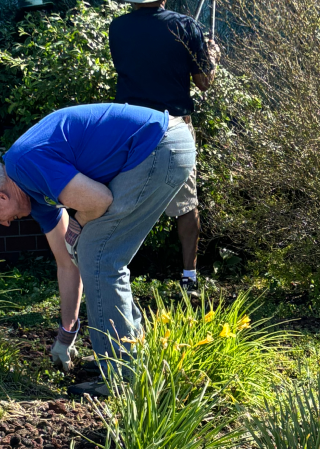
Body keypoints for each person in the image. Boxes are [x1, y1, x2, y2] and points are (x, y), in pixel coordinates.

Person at [0, 103, 195, 395]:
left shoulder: (26, 164)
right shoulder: (34, 195)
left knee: (100, 258)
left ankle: (122, 376)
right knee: (92, 254)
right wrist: (65, 335)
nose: (4, 225)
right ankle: (129, 358)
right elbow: (67, 264)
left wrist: (74, 227)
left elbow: (98, 201)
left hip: (159, 146)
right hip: (159, 146)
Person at [109, 0, 221, 294]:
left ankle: (116, 269)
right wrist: (211, 57)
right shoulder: (186, 26)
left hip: (130, 127)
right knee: (186, 204)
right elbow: (204, 82)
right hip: (174, 126)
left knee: (125, 202)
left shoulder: (117, 28)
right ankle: (189, 277)